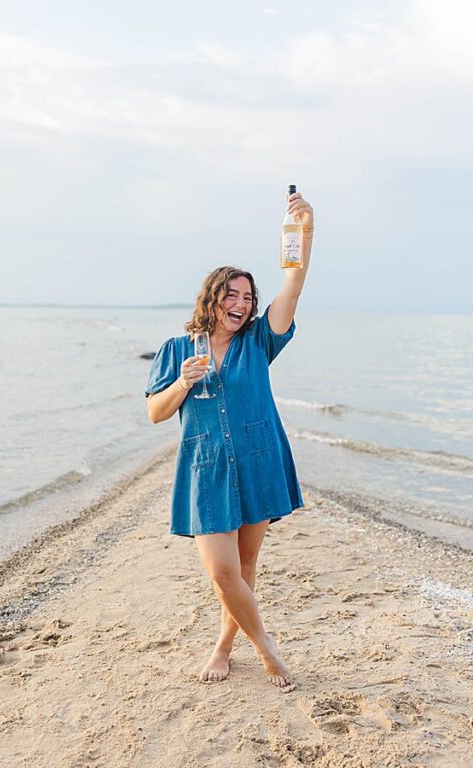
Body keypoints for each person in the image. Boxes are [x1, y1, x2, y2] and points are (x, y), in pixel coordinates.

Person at [144, 191, 314, 688]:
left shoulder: (259, 340)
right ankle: (267, 649)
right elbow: (155, 413)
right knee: (222, 573)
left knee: (244, 567)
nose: (240, 305)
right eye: (231, 295)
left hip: (258, 462)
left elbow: (294, 284)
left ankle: (223, 646)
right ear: (212, 298)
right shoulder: (177, 349)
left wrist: (306, 229)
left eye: (247, 298)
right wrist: (182, 383)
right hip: (207, 469)